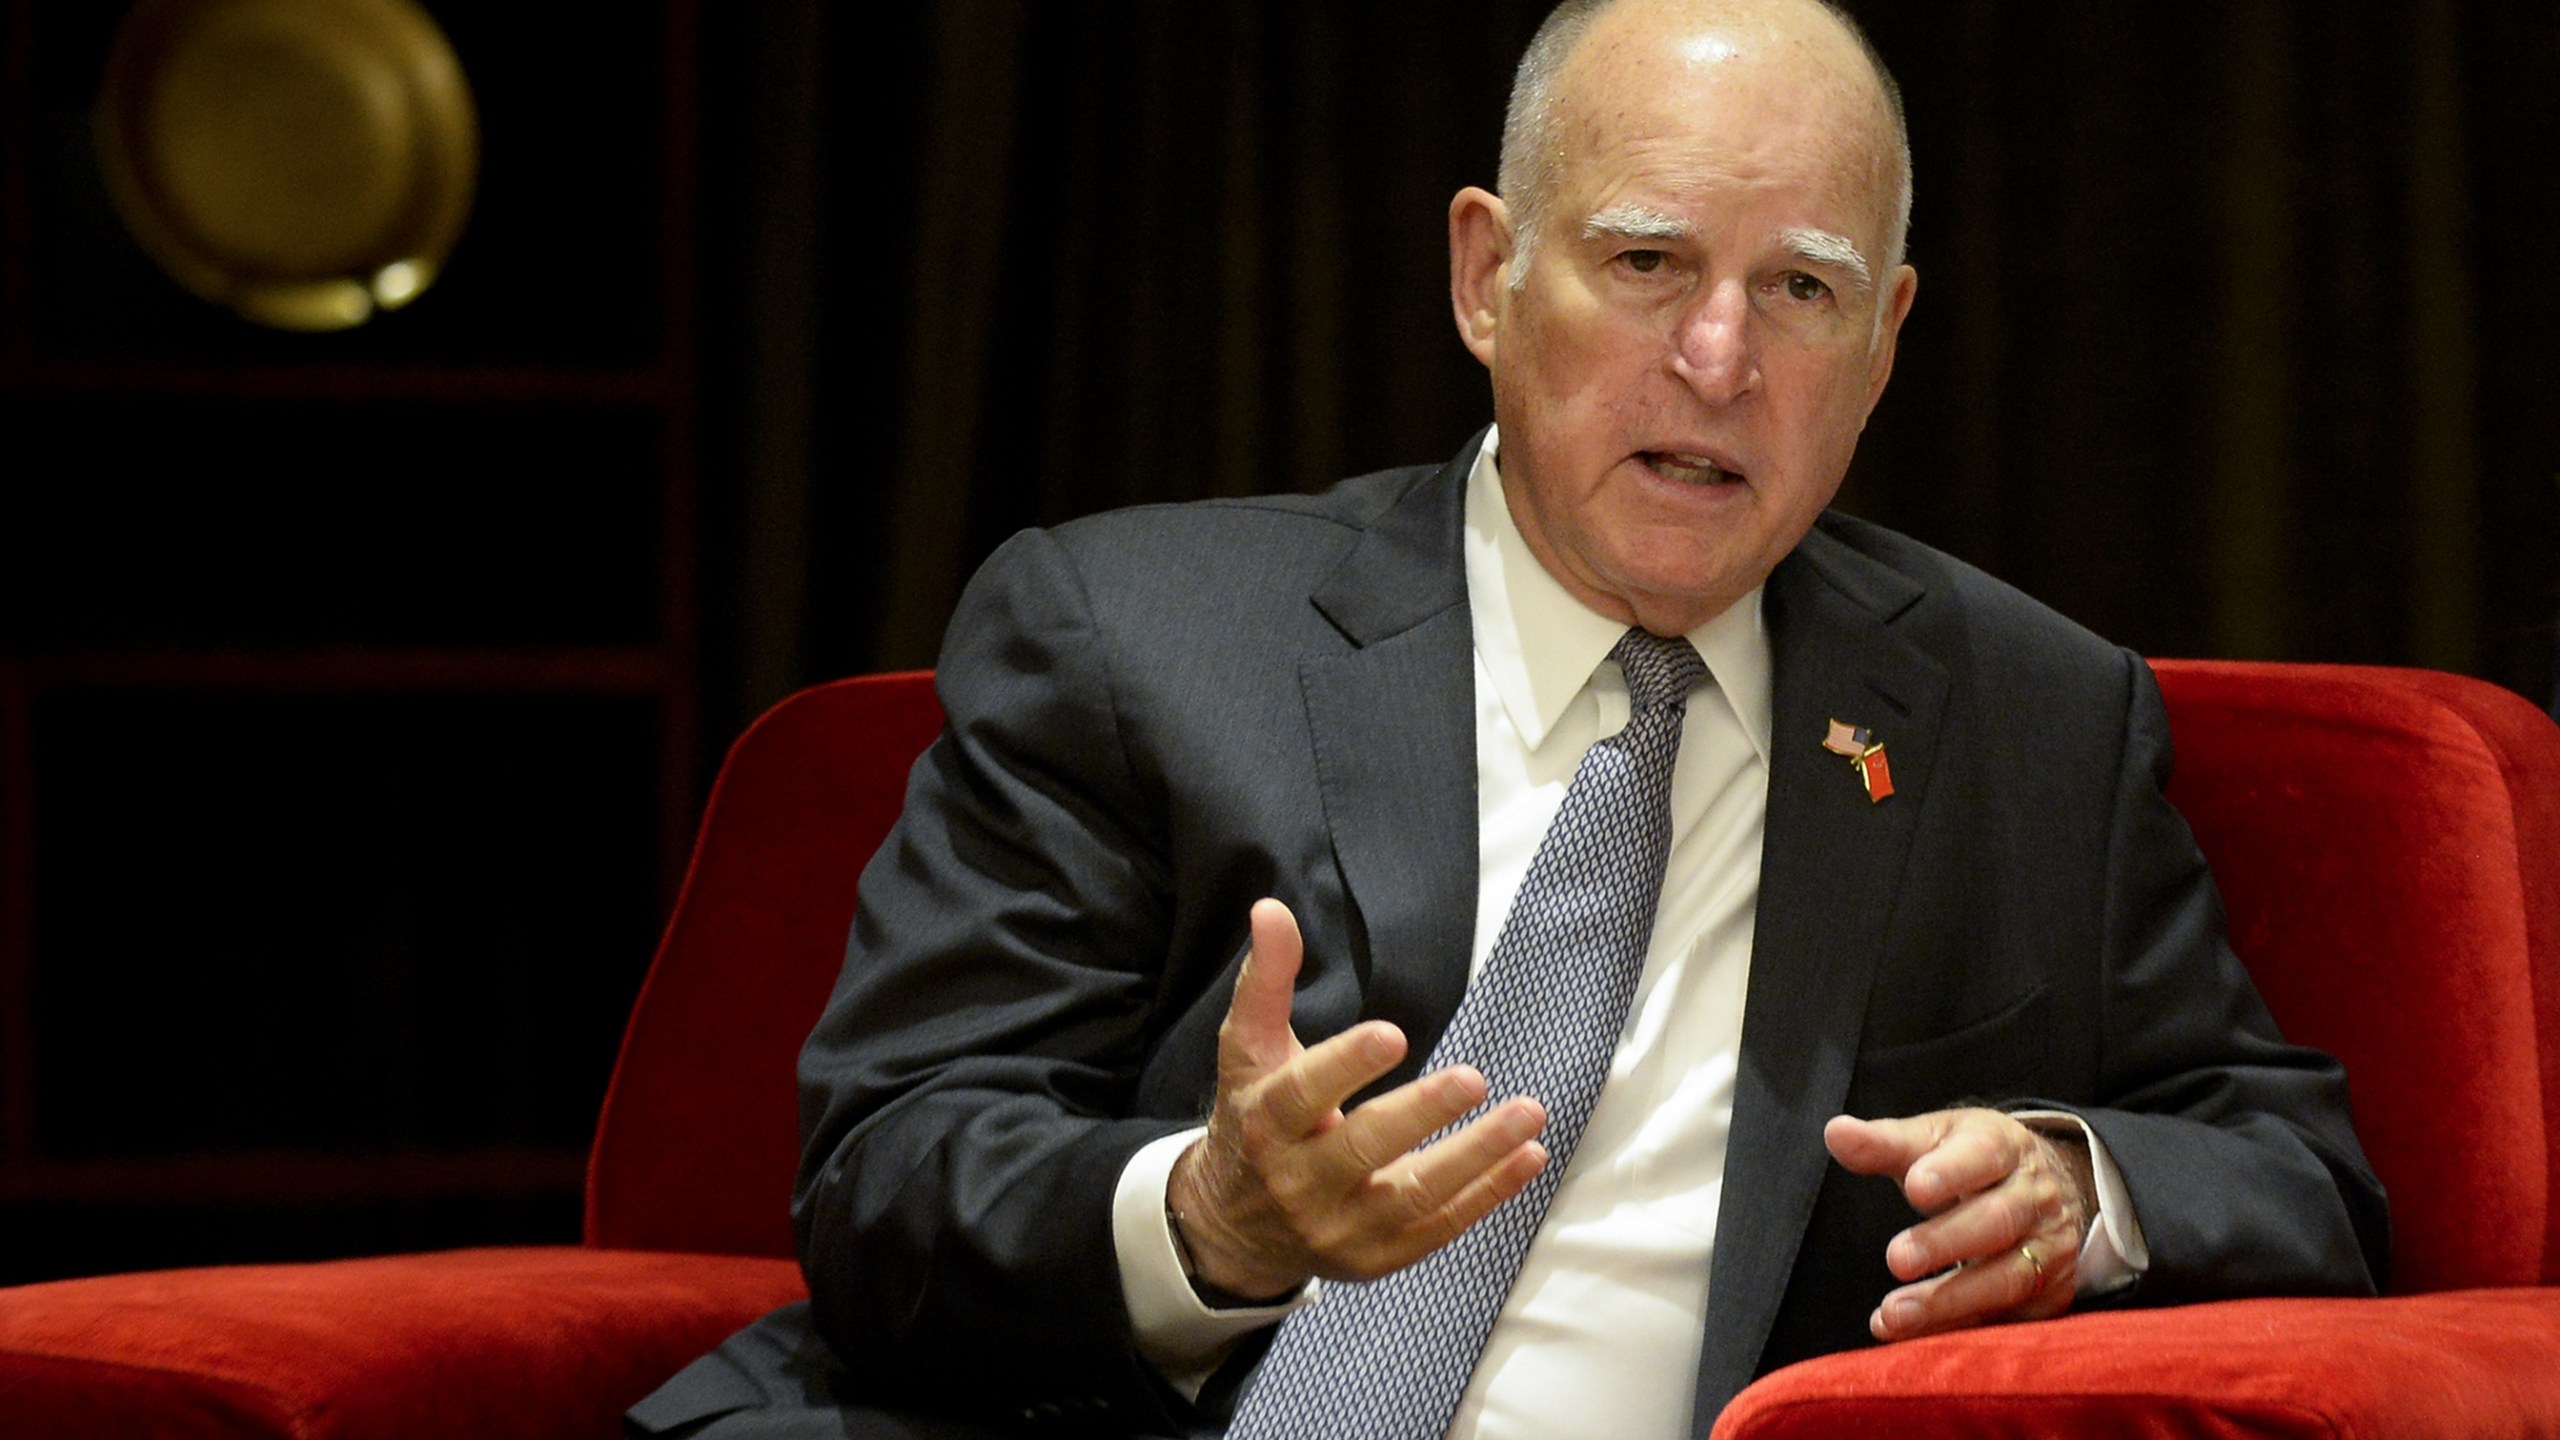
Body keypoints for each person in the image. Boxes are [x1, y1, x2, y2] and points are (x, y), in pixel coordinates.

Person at [630, 0, 2386, 1435]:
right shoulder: (1137, 636)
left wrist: (2081, 1192)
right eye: (1643, 265)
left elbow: (2299, 1172)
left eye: (1801, 289)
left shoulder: (2033, 718)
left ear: (1886, 338)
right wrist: (1209, 1220)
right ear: (1486, 276)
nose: (1719, 359)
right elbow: (887, 1179)